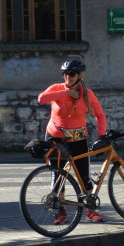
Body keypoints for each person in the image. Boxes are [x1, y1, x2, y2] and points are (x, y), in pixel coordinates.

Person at [38, 59, 108, 224]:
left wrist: (102, 136)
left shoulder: (87, 94)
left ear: (80, 75)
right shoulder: (57, 89)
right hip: (56, 137)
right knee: (58, 175)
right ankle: (60, 211)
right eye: (65, 74)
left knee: (84, 176)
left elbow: (100, 115)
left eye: (71, 74)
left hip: (78, 139)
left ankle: (90, 209)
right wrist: (66, 93)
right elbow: (41, 98)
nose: (67, 77)